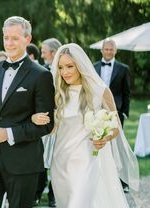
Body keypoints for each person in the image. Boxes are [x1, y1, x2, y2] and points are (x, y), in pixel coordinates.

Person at [32, 43, 139, 208]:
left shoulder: (100, 91)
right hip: (60, 162)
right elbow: (52, 129)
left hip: (88, 160)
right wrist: (36, 119)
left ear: (80, 65)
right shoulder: (57, 93)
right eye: (60, 67)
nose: (65, 72)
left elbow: (116, 126)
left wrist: (105, 137)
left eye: (70, 66)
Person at [0, 16, 55, 208]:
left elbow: (47, 125)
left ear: (27, 39)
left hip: (23, 162)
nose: (9, 43)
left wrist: (9, 133)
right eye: (6, 38)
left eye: (15, 38)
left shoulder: (41, 75)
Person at [93, 38, 131, 192]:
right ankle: (98, 177)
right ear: (102, 50)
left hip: (116, 113)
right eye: (106, 49)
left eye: (111, 49)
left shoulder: (123, 69)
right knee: (97, 143)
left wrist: (124, 113)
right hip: (96, 112)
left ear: (115, 51)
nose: (109, 51)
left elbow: (126, 92)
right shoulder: (93, 67)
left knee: (118, 146)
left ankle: (123, 181)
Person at [34, 37, 61, 207]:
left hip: (62, 121)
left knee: (58, 161)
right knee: (42, 158)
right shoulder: (42, 70)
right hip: (44, 121)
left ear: (53, 52)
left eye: (44, 50)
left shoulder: (64, 71)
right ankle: (37, 192)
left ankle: (54, 195)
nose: (42, 53)